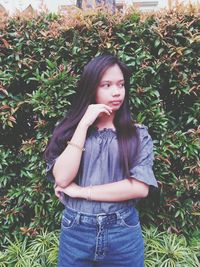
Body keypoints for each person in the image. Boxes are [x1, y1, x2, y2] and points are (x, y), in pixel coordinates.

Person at [44, 54, 158, 267]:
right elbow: (62, 178)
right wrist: (83, 124)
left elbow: (140, 188)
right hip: (75, 232)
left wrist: (81, 191)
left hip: (122, 232)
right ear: (91, 88)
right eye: (106, 85)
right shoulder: (69, 130)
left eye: (121, 84)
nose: (116, 92)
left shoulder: (136, 135)